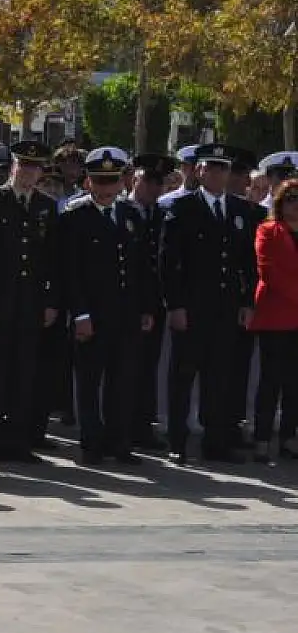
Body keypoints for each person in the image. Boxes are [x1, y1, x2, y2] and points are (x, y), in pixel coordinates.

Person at [161, 143, 258, 464]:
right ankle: (177, 441)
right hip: (192, 308)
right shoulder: (182, 208)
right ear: (199, 171)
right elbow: (169, 261)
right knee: (183, 377)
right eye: (210, 168)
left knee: (219, 378)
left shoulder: (240, 209)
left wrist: (247, 302)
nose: (217, 174)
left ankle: (216, 442)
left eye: (222, 168)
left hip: (225, 309)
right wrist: (175, 305)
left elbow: (247, 263)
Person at [61, 148, 159, 465]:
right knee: (89, 382)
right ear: (88, 182)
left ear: (121, 182)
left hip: (126, 314)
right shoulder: (75, 216)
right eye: (100, 181)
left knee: (123, 381)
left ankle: (119, 441)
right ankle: (91, 443)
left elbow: (142, 267)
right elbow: (70, 272)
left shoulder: (130, 215)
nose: (106, 189)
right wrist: (80, 314)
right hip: (92, 314)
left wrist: (146, 308)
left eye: (111, 181)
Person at [0, 140, 58, 463]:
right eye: (24, 166)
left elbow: (52, 259)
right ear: (13, 167)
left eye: (35, 167)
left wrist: (51, 301)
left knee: (24, 374)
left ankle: (19, 442)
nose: (29, 173)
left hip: (31, 302)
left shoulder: (46, 206)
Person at [126, 154, 173, 448]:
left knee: (147, 367)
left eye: (159, 182)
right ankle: (121, 426)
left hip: (154, 304)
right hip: (125, 302)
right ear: (135, 179)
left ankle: (142, 426)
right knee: (124, 368)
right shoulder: (122, 210)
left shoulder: (162, 214)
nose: (154, 187)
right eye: (148, 180)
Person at [249, 181, 298, 462]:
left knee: (295, 382)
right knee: (271, 380)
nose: (296, 204)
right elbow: (268, 272)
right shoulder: (267, 230)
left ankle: (289, 437)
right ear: (280, 202)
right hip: (276, 315)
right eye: (290, 198)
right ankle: (262, 438)